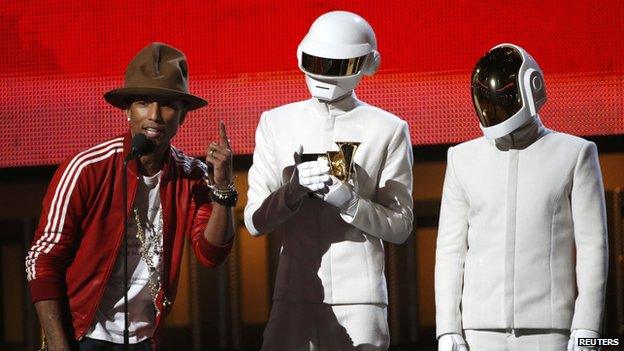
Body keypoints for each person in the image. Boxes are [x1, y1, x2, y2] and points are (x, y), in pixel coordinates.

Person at [25, 42, 237, 350]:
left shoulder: (192, 175)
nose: (154, 115)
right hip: (81, 334)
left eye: (167, 104)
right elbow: (42, 259)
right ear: (127, 110)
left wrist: (224, 188)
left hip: (145, 338)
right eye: (142, 102)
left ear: (183, 117)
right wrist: (59, 344)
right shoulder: (87, 168)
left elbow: (210, 254)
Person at [244, 11, 414, 350]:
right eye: (317, 61)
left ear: (366, 64)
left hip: (361, 299)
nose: (324, 74)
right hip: (294, 292)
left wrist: (351, 203)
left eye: (337, 65)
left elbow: (401, 225)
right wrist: (290, 193)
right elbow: (253, 221)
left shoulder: (388, 129)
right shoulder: (276, 123)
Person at [435, 43, 608, 351]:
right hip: (479, 329)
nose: (495, 106)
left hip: (550, 327)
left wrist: (587, 326)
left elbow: (592, 247)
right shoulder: (462, 159)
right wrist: (447, 328)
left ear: (532, 87)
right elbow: (450, 251)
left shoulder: (575, 153)